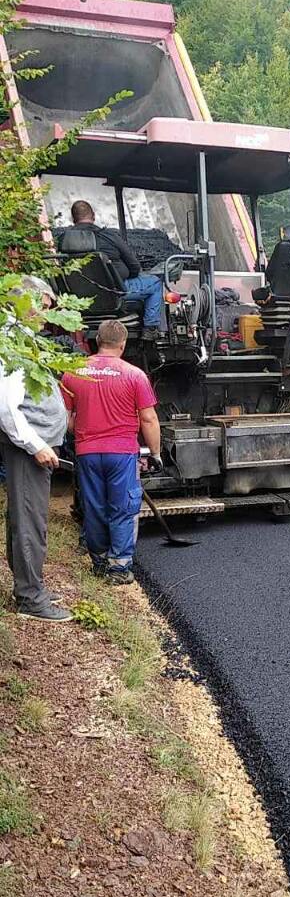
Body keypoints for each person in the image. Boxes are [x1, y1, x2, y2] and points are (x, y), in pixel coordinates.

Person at [60, 319, 162, 584]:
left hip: (87, 453)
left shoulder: (73, 373)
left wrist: (82, 433)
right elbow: (149, 419)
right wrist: (155, 453)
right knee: (123, 508)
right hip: (121, 453)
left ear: (97, 341)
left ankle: (99, 562)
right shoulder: (135, 375)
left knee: (94, 507)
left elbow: (65, 417)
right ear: (123, 344)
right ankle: (119, 568)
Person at [0, 277, 72, 622]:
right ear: (27, 301)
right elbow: (7, 407)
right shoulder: (12, 341)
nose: (46, 315)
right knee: (30, 521)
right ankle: (31, 598)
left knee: (25, 518)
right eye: (44, 306)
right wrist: (36, 444)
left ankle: (29, 585)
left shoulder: (23, 338)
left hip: (33, 445)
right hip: (27, 448)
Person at [60, 201, 164, 340]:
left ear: (73, 219)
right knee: (155, 283)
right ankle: (150, 329)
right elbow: (134, 266)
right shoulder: (109, 236)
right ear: (94, 216)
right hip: (115, 293)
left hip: (77, 298)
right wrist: (125, 277)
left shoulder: (62, 240)